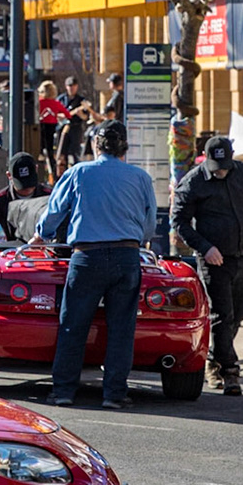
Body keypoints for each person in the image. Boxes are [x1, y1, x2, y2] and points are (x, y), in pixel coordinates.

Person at [31, 120, 156, 408]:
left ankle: (63, 391)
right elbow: (149, 227)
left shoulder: (78, 173)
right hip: (127, 255)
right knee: (121, 328)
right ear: (125, 146)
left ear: (95, 145)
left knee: (73, 324)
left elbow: (54, 213)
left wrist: (41, 236)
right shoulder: (141, 178)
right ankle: (114, 393)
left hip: (87, 256)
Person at [173, 135, 243, 397]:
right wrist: (205, 247)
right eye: (215, 165)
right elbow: (180, 221)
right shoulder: (194, 181)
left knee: (238, 315)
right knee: (221, 316)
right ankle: (230, 373)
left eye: (224, 164)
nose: (220, 170)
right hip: (213, 259)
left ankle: (213, 359)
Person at [0, 152, 53, 241]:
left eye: (29, 183)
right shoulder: (0, 199)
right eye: (22, 184)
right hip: (13, 250)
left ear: (36, 170)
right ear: (9, 175)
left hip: (45, 250)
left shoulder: (50, 196)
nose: (27, 189)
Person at [56, 79, 94, 174]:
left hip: (75, 128)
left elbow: (86, 117)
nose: (71, 88)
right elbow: (55, 113)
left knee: (75, 152)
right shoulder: (61, 99)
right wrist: (61, 116)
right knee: (61, 153)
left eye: (73, 86)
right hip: (63, 128)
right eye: (69, 86)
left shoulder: (81, 100)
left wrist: (80, 114)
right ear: (66, 86)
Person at [36, 81, 67, 160]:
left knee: (40, 144)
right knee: (50, 146)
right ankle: (52, 164)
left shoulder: (39, 102)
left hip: (40, 124)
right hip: (51, 125)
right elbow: (67, 114)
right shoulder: (56, 103)